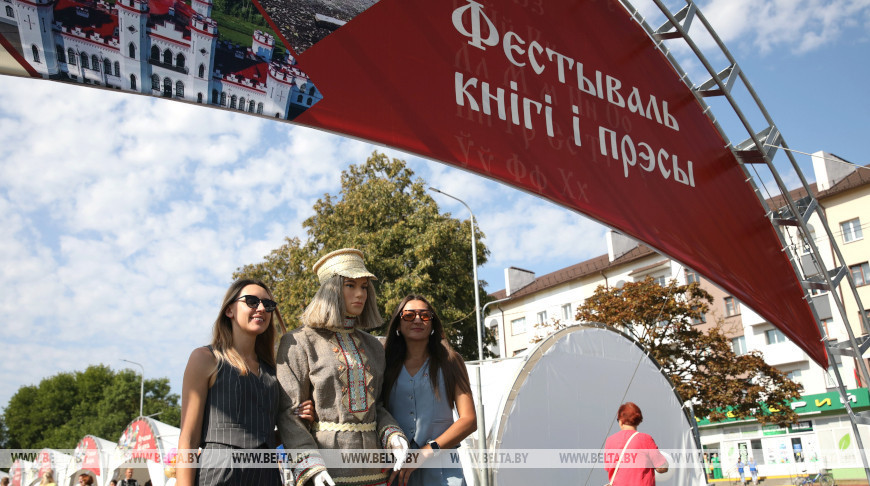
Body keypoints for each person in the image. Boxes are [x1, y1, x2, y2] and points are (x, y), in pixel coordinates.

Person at [277, 248, 409, 486]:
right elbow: (289, 414)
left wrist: (393, 435)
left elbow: (377, 406)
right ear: (331, 290)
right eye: (350, 285)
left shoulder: (374, 346)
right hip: (326, 470)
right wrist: (310, 465)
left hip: (376, 470)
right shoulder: (298, 341)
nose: (360, 294)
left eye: (364, 287)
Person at [177, 278, 313, 486]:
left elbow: (266, 437)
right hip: (219, 474)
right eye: (251, 301)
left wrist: (299, 420)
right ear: (229, 310)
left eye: (268, 305)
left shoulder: (274, 372)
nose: (261, 308)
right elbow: (188, 439)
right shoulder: (205, 358)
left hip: (267, 475)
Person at [382, 294, 477, 486]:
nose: (417, 319)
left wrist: (427, 451)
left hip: (443, 472)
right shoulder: (384, 364)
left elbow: (469, 420)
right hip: (397, 471)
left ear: (433, 324)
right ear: (398, 325)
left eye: (425, 315)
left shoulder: (451, 361)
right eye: (409, 315)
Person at [604, 402, 668, 486]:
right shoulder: (645, 439)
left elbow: (608, 468)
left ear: (621, 420)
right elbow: (662, 467)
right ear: (638, 420)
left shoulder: (610, 441)